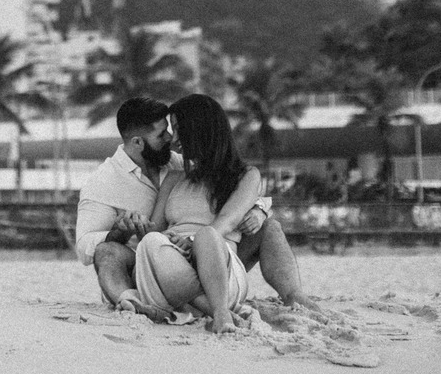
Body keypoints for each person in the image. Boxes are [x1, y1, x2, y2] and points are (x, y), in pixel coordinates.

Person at [75, 93, 322, 316]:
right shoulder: (105, 181)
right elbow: (91, 244)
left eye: (175, 130)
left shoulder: (178, 163)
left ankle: (293, 296)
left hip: (213, 254)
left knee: (267, 226)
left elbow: (233, 206)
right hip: (160, 261)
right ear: (138, 142)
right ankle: (133, 300)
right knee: (117, 249)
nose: (172, 140)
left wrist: (259, 209)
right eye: (163, 134)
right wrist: (124, 230)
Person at [129, 93, 259, 333]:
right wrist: (134, 222)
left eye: (179, 130)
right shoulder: (174, 178)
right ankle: (208, 308)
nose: (174, 140)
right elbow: (154, 229)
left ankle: (219, 311)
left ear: (200, 131)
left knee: (208, 235)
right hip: (173, 265)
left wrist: (191, 241)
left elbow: (227, 222)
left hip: (221, 268)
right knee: (150, 242)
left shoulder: (246, 176)